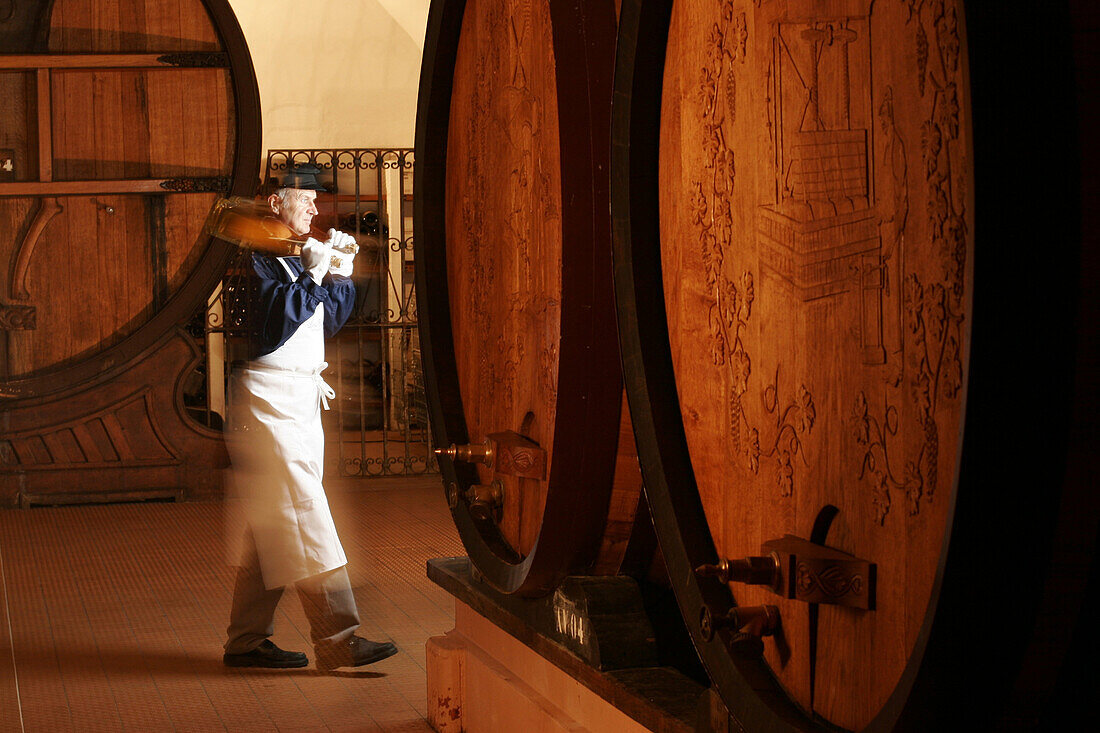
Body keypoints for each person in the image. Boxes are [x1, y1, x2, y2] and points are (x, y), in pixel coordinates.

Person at [221, 164, 397, 671]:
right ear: (276, 203)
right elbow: (274, 326)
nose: (317, 208)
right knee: (305, 513)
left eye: (318, 200)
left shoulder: (293, 254)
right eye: (307, 199)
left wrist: (336, 271)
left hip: (298, 399)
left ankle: (246, 642)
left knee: (271, 524)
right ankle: (339, 638)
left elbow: (325, 323)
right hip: (267, 401)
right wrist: (316, 273)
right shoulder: (251, 259)